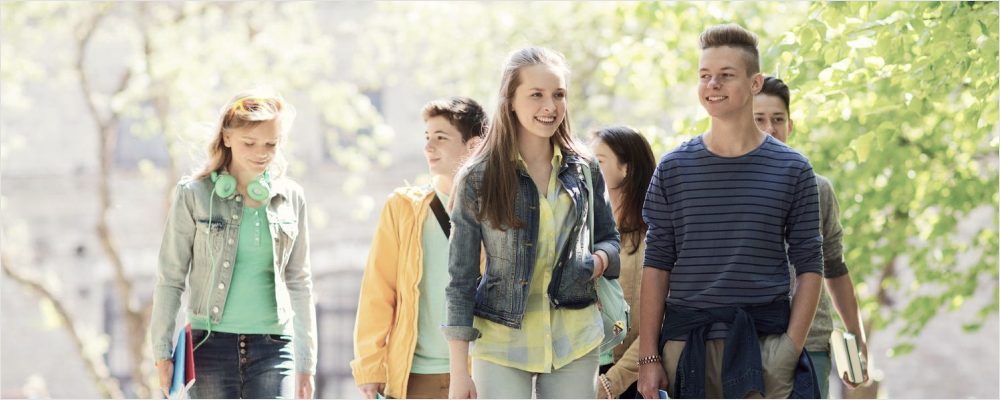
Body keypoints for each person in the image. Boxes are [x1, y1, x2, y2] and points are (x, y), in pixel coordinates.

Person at [637, 24, 824, 399]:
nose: (712, 85)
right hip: (684, 347)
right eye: (705, 76)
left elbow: (810, 266)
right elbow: (657, 265)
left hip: (763, 347)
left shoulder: (793, 169)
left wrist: (788, 350)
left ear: (755, 84)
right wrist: (648, 358)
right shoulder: (673, 168)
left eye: (725, 76)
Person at [443, 47, 621, 399]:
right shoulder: (478, 178)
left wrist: (597, 262)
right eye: (536, 95)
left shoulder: (585, 168)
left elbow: (610, 241)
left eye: (558, 95)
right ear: (510, 99)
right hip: (501, 343)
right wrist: (458, 373)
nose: (550, 107)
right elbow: (460, 279)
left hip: (575, 338)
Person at [150, 90, 317, 399]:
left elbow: (300, 282)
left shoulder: (291, 198)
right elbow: (170, 278)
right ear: (227, 138)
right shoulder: (194, 195)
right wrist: (162, 353)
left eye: (271, 144)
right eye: (249, 143)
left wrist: (306, 365)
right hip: (208, 347)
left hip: (274, 348)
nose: (262, 152)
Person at [351, 97, 488, 399]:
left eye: (441, 138)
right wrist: (370, 367)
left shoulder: (496, 211)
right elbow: (377, 292)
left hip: (480, 373)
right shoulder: (403, 209)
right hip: (413, 377)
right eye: (427, 137)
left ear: (474, 145)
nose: (428, 147)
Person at [754, 75, 869, 397]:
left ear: (790, 125)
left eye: (777, 120)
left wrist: (856, 335)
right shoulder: (727, 187)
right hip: (746, 341)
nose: (770, 128)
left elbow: (835, 266)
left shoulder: (818, 189)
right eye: (759, 119)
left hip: (811, 344)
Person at [590, 126, 657, 399]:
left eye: (598, 161)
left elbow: (657, 323)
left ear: (626, 168)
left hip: (624, 379)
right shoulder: (583, 230)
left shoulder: (651, 239)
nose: (587, 168)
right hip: (576, 371)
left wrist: (611, 383)